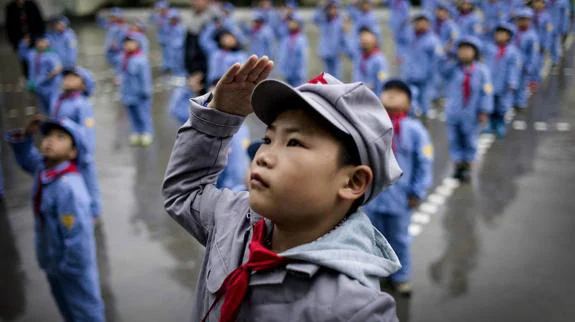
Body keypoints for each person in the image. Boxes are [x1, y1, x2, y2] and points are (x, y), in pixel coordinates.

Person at [162, 55, 402, 322]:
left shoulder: (354, 309)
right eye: (267, 138)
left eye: (294, 143)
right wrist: (219, 117)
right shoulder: (235, 219)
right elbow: (184, 192)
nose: (263, 156)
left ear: (352, 182)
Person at [5, 118, 105, 321]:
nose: (50, 140)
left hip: (72, 268)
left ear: (73, 152)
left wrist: (69, 268)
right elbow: (27, 159)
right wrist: (26, 136)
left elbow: (79, 237)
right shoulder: (46, 169)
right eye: (48, 136)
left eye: (60, 137)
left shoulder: (69, 188)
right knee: (68, 309)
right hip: (53, 261)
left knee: (85, 312)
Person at [365, 79, 433, 296]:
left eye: (398, 93)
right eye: (388, 92)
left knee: (399, 239)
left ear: (409, 102)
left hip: (400, 198)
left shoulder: (415, 130)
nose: (392, 96)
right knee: (371, 238)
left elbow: (424, 162)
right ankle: (377, 274)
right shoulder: (371, 125)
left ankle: (400, 277)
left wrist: (418, 191)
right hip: (372, 197)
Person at [49, 67, 102, 218]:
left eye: (74, 78)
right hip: (64, 151)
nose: (68, 80)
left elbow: (87, 132)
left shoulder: (81, 103)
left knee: (88, 182)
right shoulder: (58, 99)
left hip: (79, 151)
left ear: (83, 84)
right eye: (66, 77)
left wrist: (85, 154)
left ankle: (93, 212)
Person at [439, 36, 493, 182]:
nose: (464, 53)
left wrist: (484, 110)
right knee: (454, 140)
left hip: (472, 113)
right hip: (454, 112)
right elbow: (441, 69)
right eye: (461, 49)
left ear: (475, 52)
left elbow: (486, 91)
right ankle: (458, 166)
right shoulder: (453, 68)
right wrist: (447, 53)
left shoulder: (482, 71)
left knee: (470, 141)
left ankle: (468, 167)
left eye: (468, 50)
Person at [399, 12, 444, 119]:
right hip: (409, 75)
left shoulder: (432, 40)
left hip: (425, 78)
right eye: (418, 22)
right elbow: (399, 35)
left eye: (424, 22)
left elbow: (437, 60)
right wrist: (406, 21)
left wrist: (433, 78)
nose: (420, 25)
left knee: (424, 103)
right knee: (409, 101)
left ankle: (423, 124)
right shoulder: (410, 36)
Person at [484, 22, 522, 138]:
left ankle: (500, 123)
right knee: (490, 103)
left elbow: (514, 68)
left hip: (504, 84)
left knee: (502, 104)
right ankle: (491, 124)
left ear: (508, 36)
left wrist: (512, 82)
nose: (499, 36)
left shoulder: (512, 52)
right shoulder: (490, 48)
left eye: (502, 34)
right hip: (490, 82)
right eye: (497, 33)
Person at [120, 34, 154, 147]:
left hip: (139, 94)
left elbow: (145, 78)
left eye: (131, 42)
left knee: (143, 114)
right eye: (126, 42)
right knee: (133, 114)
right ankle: (136, 132)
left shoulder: (140, 59)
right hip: (128, 94)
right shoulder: (125, 58)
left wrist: (145, 92)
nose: (128, 45)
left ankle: (147, 133)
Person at [19, 34, 62, 114]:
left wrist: (49, 75)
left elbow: (58, 68)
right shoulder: (32, 53)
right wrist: (23, 44)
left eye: (44, 42)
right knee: (43, 110)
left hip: (51, 87)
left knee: (54, 108)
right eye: (39, 42)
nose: (41, 44)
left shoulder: (52, 54)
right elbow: (22, 56)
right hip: (38, 86)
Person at [5, 0, 46, 77]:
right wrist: (15, 41)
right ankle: (29, 80)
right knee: (25, 62)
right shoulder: (10, 7)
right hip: (20, 40)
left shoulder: (32, 4)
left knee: (38, 59)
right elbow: (9, 26)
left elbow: (39, 21)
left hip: (34, 37)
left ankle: (40, 78)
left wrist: (40, 37)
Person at [346, 27, 388, 97]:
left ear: (375, 40)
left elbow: (382, 81)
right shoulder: (359, 56)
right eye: (362, 37)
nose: (364, 40)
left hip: (372, 99)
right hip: (357, 96)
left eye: (367, 38)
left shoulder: (379, 60)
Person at [512, 8, 540, 112]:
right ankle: (512, 102)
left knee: (522, 84)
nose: (523, 22)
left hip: (524, 63)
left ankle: (520, 103)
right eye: (521, 19)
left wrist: (529, 66)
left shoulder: (532, 36)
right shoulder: (514, 32)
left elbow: (533, 54)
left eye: (526, 19)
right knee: (513, 83)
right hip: (513, 62)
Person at [313, 0, 347, 79]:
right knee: (326, 76)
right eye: (330, 9)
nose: (332, 11)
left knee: (336, 76)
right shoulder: (323, 21)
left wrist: (343, 50)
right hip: (325, 53)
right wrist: (322, 6)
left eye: (334, 8)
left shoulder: (339, 22)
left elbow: (343, 38)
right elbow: (315, 18)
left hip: (336, 53)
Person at [277, 16, 308, 86]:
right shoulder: (286, 38)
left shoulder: (301, 39)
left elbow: (303, 58)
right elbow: (283, 55)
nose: (291, 24)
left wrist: (301, 72)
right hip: (288, 72)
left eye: (293, 23)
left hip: (297, 73)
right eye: (290, 22)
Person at [531, 0, 554, 82]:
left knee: (538, 64)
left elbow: (548, 32)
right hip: (531, 44)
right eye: (534, 2)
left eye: (539, 2)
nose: (536, 4)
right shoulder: (529, 15)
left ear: (543, 4)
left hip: (541, 44)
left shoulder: (547, 16)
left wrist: (546, 45)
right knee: (531, 64)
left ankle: (537, 82)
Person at [165, 9, 187, 76]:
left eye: (174, 18)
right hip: (171, 51)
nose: (173, 20)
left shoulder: (181, 28)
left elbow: (182, 40)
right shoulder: (168, 28)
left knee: (180, 64)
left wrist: (176, 44)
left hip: (179, 51)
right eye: (171, 19)